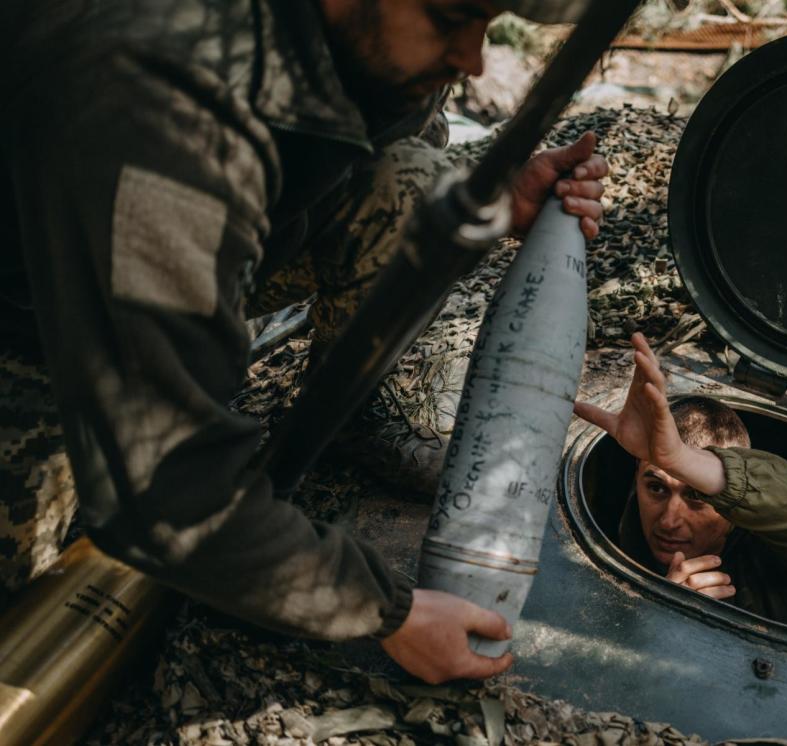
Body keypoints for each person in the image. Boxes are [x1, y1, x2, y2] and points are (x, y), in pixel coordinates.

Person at [0, 0, 606, 684]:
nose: (472, 57)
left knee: (415, 182)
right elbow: (164, 491)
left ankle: (346, 423)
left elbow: (379, 159)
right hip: (29, 305)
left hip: (208, 236)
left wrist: (498, 200)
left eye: (484, 22)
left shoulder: (367, 39)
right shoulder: (164, 93)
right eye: (448, 18)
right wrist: (384, 611)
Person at [573, 333, 787, 626]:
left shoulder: (770, 551)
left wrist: (682, 461)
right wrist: (661, 614)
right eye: (656, 488)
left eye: (697, 495)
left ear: (732, 502)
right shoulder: (605, 523)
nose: (669, 521)